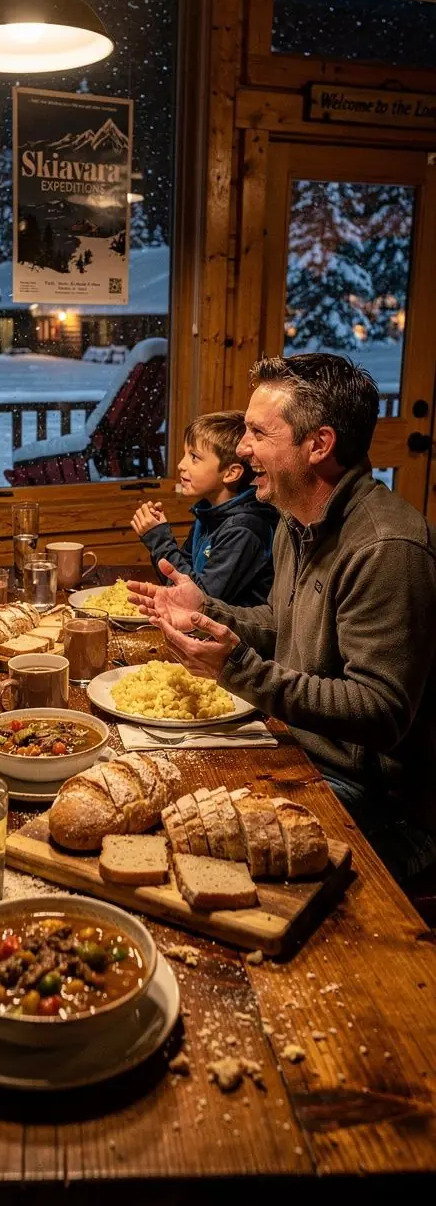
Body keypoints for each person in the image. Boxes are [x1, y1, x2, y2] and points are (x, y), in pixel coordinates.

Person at [128, 352, 436, 883]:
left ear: (318, 445)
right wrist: (207, 610)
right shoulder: (295, 521)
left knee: (180, 854)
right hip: (295, 745)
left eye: (257, 433)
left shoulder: (387, 547)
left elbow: (381, 709)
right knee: (160, 798)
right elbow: (283, 628)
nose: (243, 450)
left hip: (376, 802)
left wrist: (239, 669)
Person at [130, 410, 277, 606]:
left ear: (231, 473)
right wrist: (159, 536)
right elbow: (178, 582)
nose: (181, 465)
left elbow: (200, 599)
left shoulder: (244, 529)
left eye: (194, 457)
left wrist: (160, 541)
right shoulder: (209, 513)